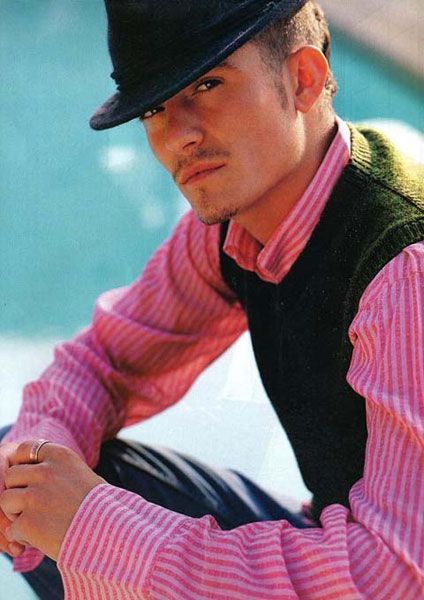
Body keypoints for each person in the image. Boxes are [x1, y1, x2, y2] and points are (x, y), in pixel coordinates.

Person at [1, 0, 423, 598]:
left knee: (84, 523)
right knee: (31, 475)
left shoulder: (405, 272)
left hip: (390, 570)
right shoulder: (238, 219)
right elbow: (105, 361)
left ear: (303, 79)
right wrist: (36, 467)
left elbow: (395, 578)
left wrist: (98, 531)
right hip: (340, 534)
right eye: (153, 107)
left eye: (208, 85)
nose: (178, 135)